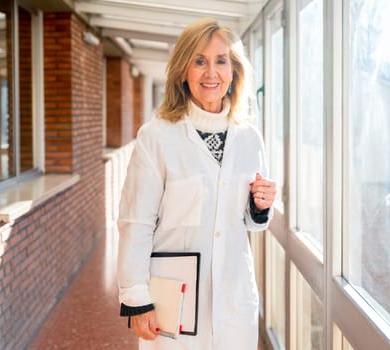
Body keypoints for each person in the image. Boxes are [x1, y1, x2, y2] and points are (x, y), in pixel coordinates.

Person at [117, 18, 276, 350]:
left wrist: (260, 207)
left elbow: (249, 222)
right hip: (174, 290)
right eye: (199, 61)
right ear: (182, 71)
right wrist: (136, 297)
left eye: (221, 61)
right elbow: (136, 221)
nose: (211, 73)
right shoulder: (157, 136)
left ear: (234, 71)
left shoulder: (249, 138)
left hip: (233, 290)